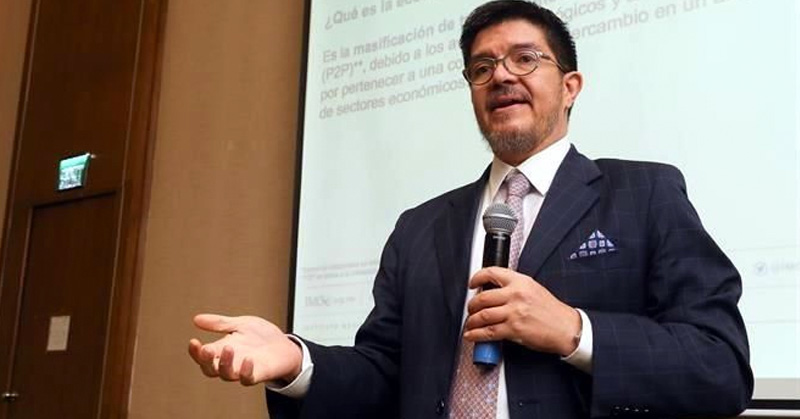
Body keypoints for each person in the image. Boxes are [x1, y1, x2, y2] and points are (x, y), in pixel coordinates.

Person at [188, 1, 753, 417]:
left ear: (571, 86)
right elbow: (385, 373)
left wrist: (574, 331)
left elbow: (720, 366)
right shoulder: (420, 227)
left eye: (525, 59)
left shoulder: (644, 193)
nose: (500, 75)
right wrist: (298, 362)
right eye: (482, 68)